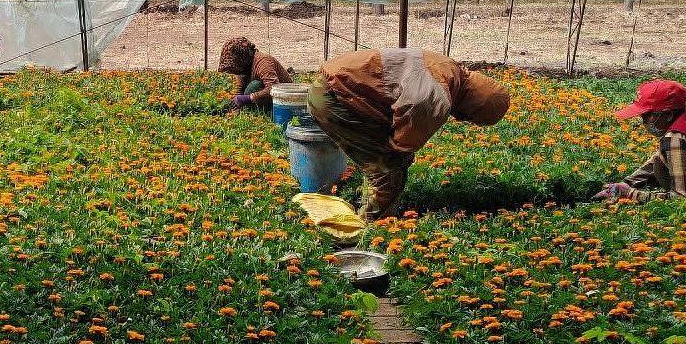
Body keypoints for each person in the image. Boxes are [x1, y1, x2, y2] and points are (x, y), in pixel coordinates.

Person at [308, 48, 510, 220]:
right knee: (388, 167)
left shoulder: (450, 70)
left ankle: (372, 201)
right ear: (475, 106)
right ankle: (372, 225)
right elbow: (402, 143)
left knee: (385, 160)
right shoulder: (436, 95)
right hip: (334, 97)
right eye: (472, 117)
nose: (464, 119)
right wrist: (395, 160)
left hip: (337, 87)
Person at [218, 37, 293, 112]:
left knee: (254, 86)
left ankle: (262, 112)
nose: (236, 73)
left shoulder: (264, 62)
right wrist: (235, 107)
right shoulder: (244, 68)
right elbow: (239, 90)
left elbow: (273, 88)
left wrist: (249, 98)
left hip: (285, 101)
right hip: (273, 100)